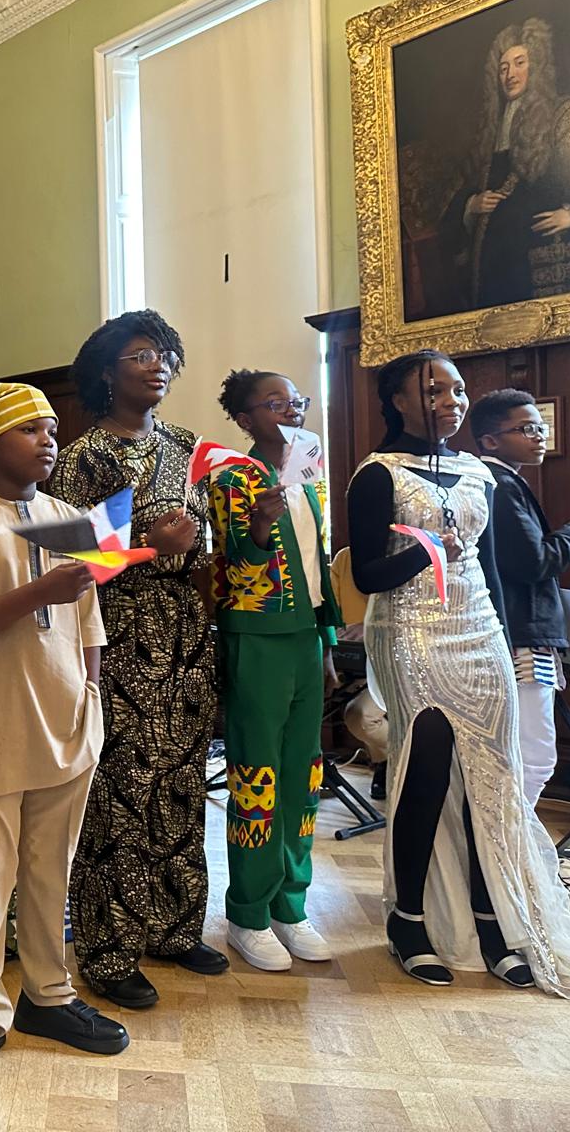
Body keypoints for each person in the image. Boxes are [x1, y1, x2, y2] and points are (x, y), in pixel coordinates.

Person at [347, 350, 570, 997]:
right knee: (425, 771)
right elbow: (366, 577)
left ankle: (492, 920)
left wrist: (505, 639)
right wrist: (423, 558)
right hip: (415, 631)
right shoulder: (378, 474)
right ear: (399, 400)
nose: (451, 399)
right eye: (434, 388)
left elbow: (495, 570)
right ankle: (407, 920)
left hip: (483, 632)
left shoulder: (479, 473)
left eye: (458, 388)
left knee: (491, 783)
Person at [0, 381, 128, 1082]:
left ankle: (48, 991)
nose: (47, 441)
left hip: (68, 716)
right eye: (30, 430)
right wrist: (40, 593)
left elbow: (88, 623)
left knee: (52, 869)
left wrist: (92, 694)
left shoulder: (72, 515)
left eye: (51, 429)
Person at [44, 310, 224, 1010]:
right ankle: (108, 948)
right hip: (116, 632)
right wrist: (148, 537)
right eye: (141, 354)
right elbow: (65, 557)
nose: (159, 365)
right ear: (105, 372)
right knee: (120, 795)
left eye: (167, 354)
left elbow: (205, 541)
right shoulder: (83, 455)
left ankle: (175, 928)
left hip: (185, 633)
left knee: (182, 783)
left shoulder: (187, 446)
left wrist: (212, 536)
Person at [209, 370, 342, 972]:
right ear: (244, 419)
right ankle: (248, 912)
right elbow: (237, 562)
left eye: (295, 400)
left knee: (301, 776)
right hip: (257, 636)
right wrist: (259, 524)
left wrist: (329, 641)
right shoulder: (231, 475)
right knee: (256, 776)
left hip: (307, 637)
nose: (289, 409)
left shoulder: (309, 466)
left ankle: (292, 904)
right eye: (273, 402)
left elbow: (318, 562)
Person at [439, 18, 570, 314]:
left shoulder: (565, 114)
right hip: (496, 264)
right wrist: (471, 204)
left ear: (536, 65)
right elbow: (462, 192)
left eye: (520, 62)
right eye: (503, 67)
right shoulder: (489, 133)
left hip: (547, 256)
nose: (510, 74)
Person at [470, 387, 570, 803]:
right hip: (522, 635)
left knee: (518, 754)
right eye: (527, 428)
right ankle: (514, 856)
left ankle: (510, 854)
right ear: (490, 440)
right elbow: (533, 563)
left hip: (516, 632)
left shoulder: (500, 481)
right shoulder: (499, 484)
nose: (539, 436)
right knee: (534, 758)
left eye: (541, 427)